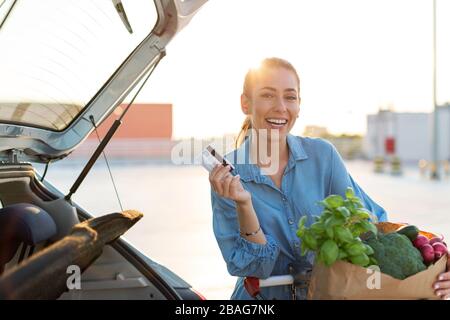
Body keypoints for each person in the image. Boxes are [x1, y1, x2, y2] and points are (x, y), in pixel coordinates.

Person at [208, 57, 449, 300]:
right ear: (245, 103)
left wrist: (434, 266)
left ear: (299, 105)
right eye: (268, 95)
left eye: (290, 97)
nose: (281, 107)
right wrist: (244, 204)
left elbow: (372, 226)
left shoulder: (322, 156)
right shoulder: (228, 176)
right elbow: (252, 267)